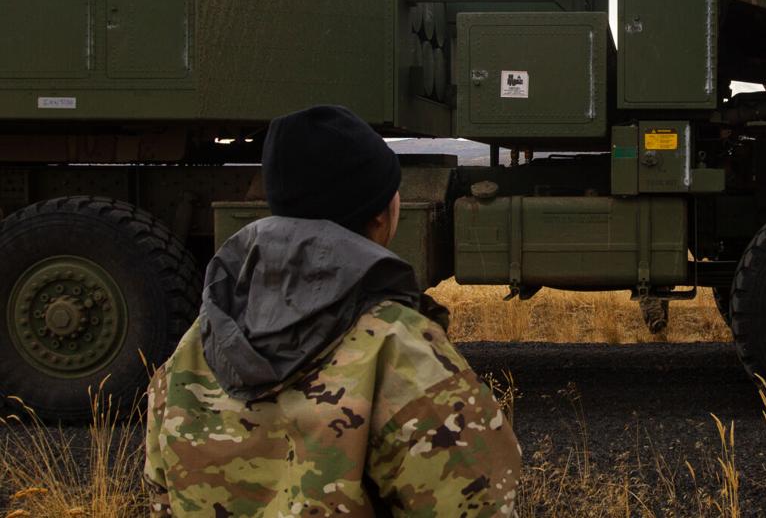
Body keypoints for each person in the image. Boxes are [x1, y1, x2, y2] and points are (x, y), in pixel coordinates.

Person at [144, 105, 521, 516]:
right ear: (381, 214)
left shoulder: (194, 348)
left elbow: (163, 498)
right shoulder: (398, 350)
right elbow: (476, 503)